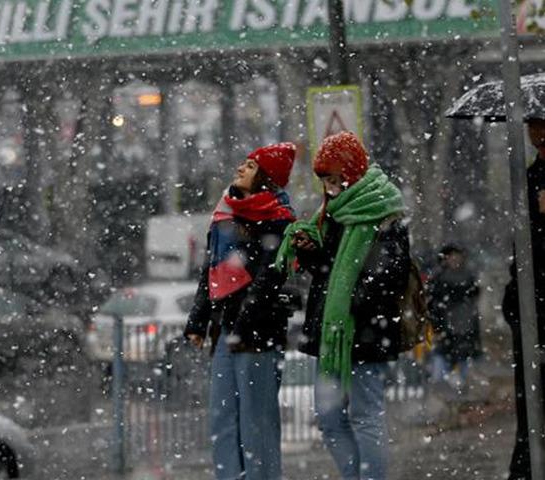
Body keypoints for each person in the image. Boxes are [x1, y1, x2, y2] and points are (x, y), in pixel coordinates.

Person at [275, 131, 409, 480]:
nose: (331, 188)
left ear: (352, 172)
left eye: (336, 179)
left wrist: (352, 300)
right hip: (333, 334)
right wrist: (308, 250)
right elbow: (327, 270)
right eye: (325, 181)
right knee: (329, 417)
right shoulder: (332, 212)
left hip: (366, 331)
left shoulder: (384, 211)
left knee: (366, 415)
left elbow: (389, 276)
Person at [183, 142, 296, 480]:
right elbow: (210, 271)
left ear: (266, 177)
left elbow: (269, 277)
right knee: (222, 417)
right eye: (243, 163)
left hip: (257, 333)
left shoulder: (278, 220)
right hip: (224, 331)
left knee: (256, 421)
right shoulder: (225, 213)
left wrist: (244, 321)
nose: (240, 169)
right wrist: (198, 320)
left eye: (250, 166)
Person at [505, 118, 545, 480]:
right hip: (530, 301)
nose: (535, 132)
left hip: (536, 298)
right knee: (530, 400)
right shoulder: (531, 175)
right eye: (532, 125)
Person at [428, 244, 481, 388]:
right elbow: (433, 305)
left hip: (463, 327)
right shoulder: (439, 278)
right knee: (442, 367)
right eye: (452, 257)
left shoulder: (466, 276)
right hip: (448, 327)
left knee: (461, 367)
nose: (455, 260)